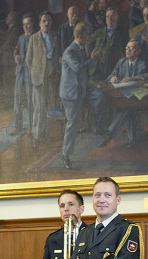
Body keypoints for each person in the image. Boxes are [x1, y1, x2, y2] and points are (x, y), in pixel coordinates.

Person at [59, 23, 106, 170]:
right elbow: (78, 68)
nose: (88, 38)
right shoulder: (69, 52)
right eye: (86, 35)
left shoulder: (80, 48)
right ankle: (65, 154)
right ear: (79, 36)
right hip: (71, 93)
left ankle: (97, 128)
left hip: (82, 88)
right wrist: (92, 59)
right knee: (72, 124)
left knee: (100, 97)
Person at [98, 39, 148, 149]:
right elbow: (110, 75)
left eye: (131, 48)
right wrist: (112, 78)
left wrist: (135, 78)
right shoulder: (121, 62)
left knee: (127, 108)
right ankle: (131, 139)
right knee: (127, 109)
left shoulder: (144, 62)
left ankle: (110, 133)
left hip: (140, 97)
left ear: (138, 51)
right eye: (126, 48)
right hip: (124, 96)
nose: (127, 50)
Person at [26, 11, 61, 147]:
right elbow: (28, 60)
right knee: (38, 107)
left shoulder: (55, 36)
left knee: (47, 105)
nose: (47, 23)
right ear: (40, 23)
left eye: (49, 21)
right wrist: (36, 71)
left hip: (51, 76)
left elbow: (57, 54)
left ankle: (44, 134)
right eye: (44, 21)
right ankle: (36, 135)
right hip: (38, 78)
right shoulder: (34, 38)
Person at [8, 14, 36, 136]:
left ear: (33, 24)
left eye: (28, 24)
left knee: (30, 101)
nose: (25, 26)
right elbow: (17, 50)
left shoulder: (37, 37)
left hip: (30, 74)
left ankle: (31, 127)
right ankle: (17, 126)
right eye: (24, 24)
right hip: (20, 72)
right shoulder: (20, 38)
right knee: (17, 100)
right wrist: (16, 56)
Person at [87, 7, 130, 82]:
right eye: (107, 17)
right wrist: (91, 54)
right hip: (98, 68)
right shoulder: (99, 32)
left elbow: (127, 49)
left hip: (114, 67)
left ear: (117, 17)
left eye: (112, 16)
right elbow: (87, 42)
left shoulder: (123, 33)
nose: (110, 19)